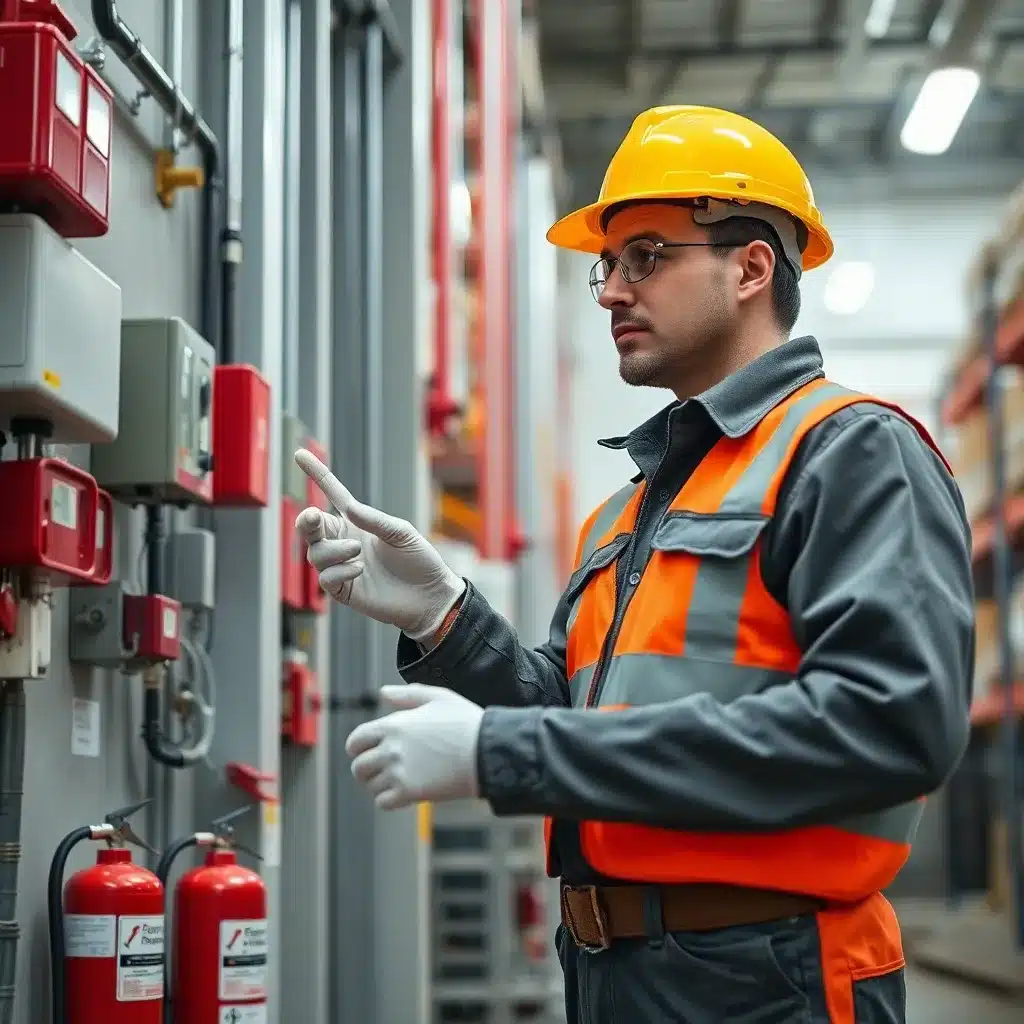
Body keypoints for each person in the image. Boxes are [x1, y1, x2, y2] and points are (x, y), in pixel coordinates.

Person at [294, 105, 975, 1023]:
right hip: (615, 974)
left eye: (646, 256)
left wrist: (501, 752)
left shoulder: (847, 453)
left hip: (769, 981)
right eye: (605, 266)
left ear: (751, 267)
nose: (612, 289)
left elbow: (889, 725)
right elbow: (584, 727)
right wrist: (445, 620)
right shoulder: (630, 507)